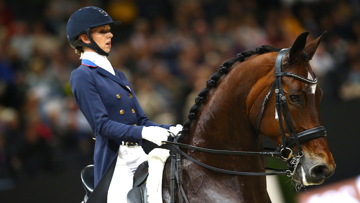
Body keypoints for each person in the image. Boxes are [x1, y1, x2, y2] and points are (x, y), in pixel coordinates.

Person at [66, 6, 182, 203]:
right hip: (117, 162)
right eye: (102, 31)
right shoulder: (82, 75)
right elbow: (101, 126)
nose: (110, 34)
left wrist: (173, 129)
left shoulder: (119, 75)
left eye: (108, 29)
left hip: (140, 153)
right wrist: (144, 133)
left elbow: (142, 120)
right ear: (85, 38)